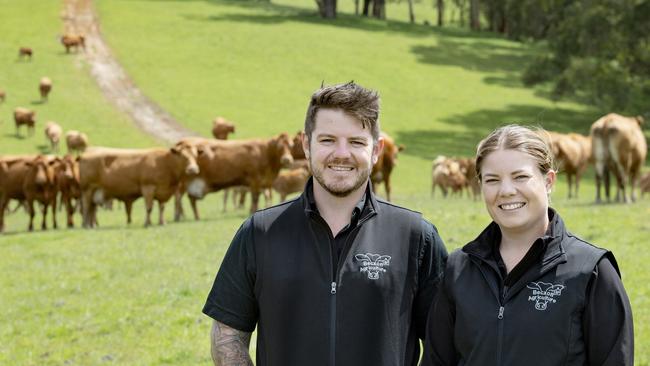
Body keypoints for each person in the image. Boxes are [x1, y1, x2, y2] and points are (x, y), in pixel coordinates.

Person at [203, 81, 448, 366]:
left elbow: (445, 344)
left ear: (377, 150)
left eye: (356, 142)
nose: (341, 153)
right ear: (306, 145)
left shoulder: (416, 237)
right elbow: (228, 335)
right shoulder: (260, 232)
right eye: (328, 140)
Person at [422, 125, 634, 366]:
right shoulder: (458, 268)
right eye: (492, 180)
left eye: (520, 177)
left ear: (548, 181)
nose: (506, 191)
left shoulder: (592, 271)